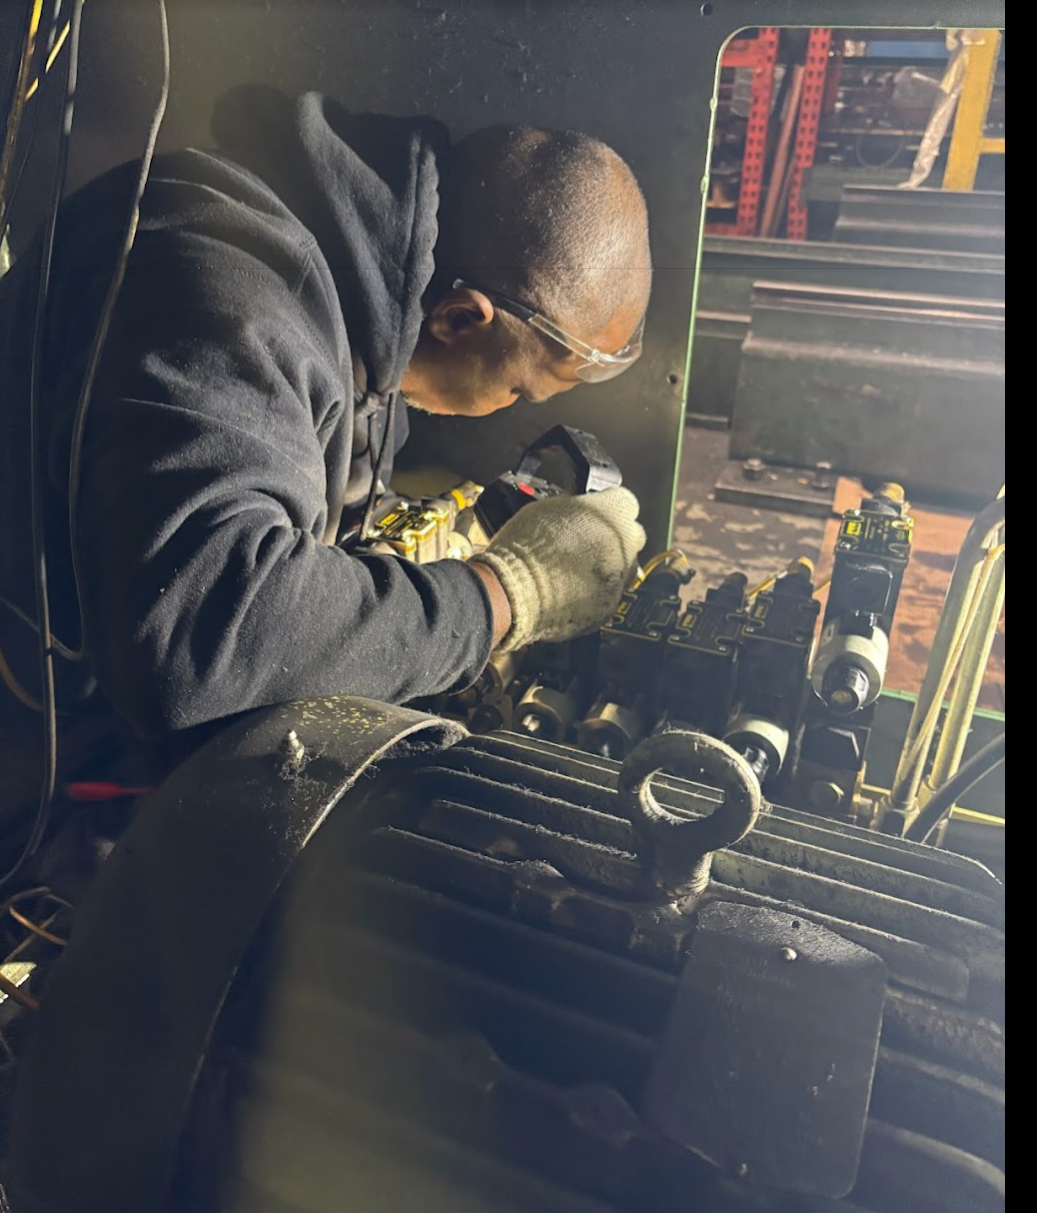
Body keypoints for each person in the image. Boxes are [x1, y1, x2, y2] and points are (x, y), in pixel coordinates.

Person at [0, 90, 651, 786]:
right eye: (518, 390)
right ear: (461, 319)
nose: (504, 408)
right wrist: (505, 593)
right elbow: (196, 638)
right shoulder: (222, 297)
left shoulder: (360, 299)